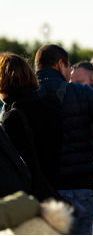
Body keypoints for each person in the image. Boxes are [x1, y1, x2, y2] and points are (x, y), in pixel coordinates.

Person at [34, 44, 93, 235]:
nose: (70, 73)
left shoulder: (24, 96)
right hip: (79, 189)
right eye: (69, 67)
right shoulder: (81, 92)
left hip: (41, 192)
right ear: (61, 64)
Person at [0, 52, 62, 202]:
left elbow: (17, 168)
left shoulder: (12, 117)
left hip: (31, 198)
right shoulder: (51, 102)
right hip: (56, 188)